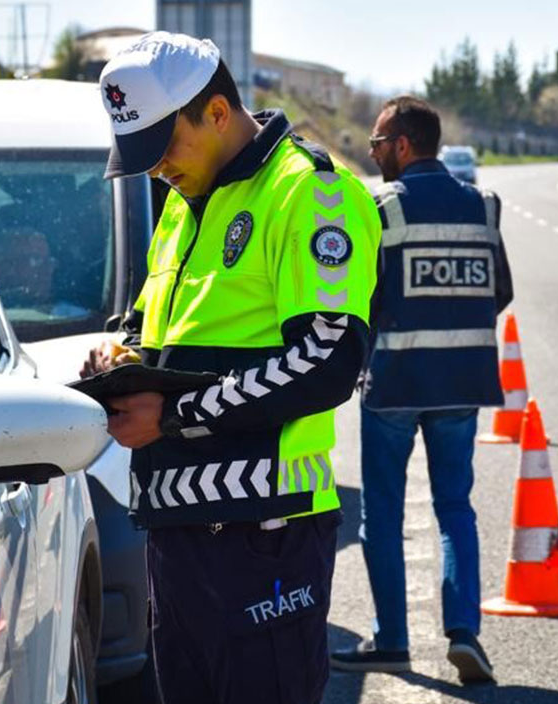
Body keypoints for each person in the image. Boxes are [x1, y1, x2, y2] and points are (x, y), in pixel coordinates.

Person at [82, 32, 380, 704]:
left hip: (262, 532)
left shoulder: (312, 193)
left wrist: (175, 414)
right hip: (175, 533)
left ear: (217, 112)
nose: (156, 169)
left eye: (163, 147)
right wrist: (119, 358)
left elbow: (327, 359)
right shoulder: (183, 203)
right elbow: (151, 328)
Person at [329, 96, 512, 684]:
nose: (373, 152)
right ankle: (463, 632)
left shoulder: (381, 209)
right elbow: (500, 292)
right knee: (455, 507)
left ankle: (392, 640)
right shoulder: (483, 205)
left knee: (382, 514)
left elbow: (359, 295)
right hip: (462, 381)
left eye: (378, 143)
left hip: (396, 382)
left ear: (403, 146)